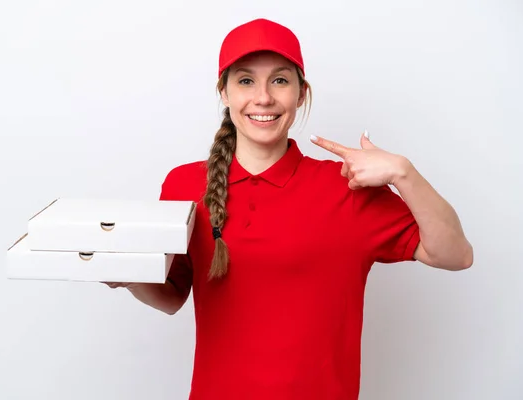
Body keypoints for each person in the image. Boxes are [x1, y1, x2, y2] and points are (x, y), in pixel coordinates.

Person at [106, 18, 473, 400]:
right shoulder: (183, 185)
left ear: (301, 94)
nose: (263, 97)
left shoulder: (347, 187)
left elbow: (455, 255)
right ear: (225, 93)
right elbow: (173, 295)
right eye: (245, 80)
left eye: (280, 80)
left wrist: (404, 173)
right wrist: (129, 276)